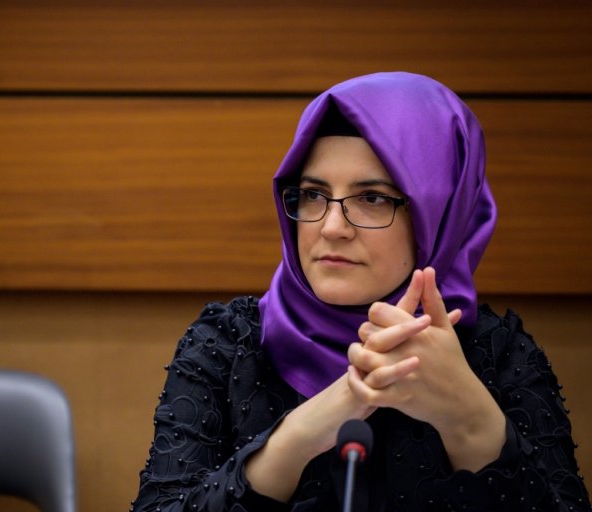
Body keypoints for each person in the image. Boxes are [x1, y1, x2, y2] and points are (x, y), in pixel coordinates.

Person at [130, 72, 591, 511]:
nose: (331, 228)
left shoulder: (497, 353)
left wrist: (469, 420)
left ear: (438, 215)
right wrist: (302, 432)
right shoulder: (228, 344)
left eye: (371, 198)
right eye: (313, 194)